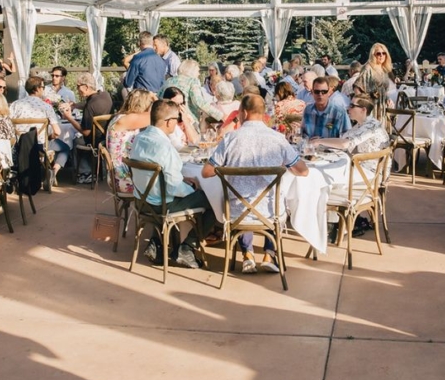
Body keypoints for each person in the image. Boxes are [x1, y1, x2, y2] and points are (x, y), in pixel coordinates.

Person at [202, 94, 308, 273]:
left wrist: (228, 167)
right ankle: (269, 253)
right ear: (263, 113)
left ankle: (247, 254)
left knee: (242, 199)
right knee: (274, 198)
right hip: (270, 212)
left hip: (237, 212)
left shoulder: (230, 139)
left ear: (243, 113)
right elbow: (303, 171)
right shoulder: (277, 139)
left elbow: (206, 172)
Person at [130, 100, 215, 269]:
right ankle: (187, 247)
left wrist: (183, 181)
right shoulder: (165, 147)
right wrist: (192, 187)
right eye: (177, 119)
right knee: (213, 202)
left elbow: (162, 177)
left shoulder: (139, 138)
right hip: (161, 206)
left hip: (141, 201)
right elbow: (174, 188)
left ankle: (157, 243)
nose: (178, 123)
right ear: (169, 122)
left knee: (176, 192)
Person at [10, 76, 65, 180]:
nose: (44, 90)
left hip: (19, 144)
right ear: (38, 88)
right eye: (43, 87)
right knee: (65, 148)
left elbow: (8, 125)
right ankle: (52, 173)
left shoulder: (15, 105)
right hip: (39, 146)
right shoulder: (46, 107)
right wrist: (49, 137)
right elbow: (57, 132)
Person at [106, 89, 156, 194]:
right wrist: (156, 100)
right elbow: (160, 114)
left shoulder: (122, 117)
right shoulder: (126, 120)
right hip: (124, 179)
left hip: (123, 172)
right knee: (165, 183)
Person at [161, 59, 223, 124]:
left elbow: (159, 96)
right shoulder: (193, 81)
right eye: (198, 71)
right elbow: (199, 102)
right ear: (191, 71)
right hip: (187, 119)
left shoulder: (169, 80)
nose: (199, 74)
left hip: (168, 117)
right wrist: (220, 115)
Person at [357, 43, 395, 117]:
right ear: (373, 55)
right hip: (371, 107)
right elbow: (357, 87)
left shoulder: (384, 69)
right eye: (378, 53)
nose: (381, 55)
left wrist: (388, 99)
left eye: (384, 53)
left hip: (382, 106)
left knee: (381, 128)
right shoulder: (368, 68)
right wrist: (363, 104)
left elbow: (384, 89)